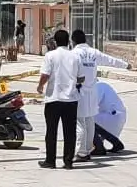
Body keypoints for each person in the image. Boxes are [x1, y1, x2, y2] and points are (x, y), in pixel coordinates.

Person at [71, 29, 130, 162]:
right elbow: (110, 60)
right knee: (89, 123)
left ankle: (82, 153)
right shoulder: (94, 53)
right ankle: (86, 151)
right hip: (92, 93)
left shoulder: (74, 54)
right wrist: (126, 65)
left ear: (73, 41)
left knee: (80, 124)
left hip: (80, 93)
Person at [36, 29, 81, 169]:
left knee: (51, 131)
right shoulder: (75, 57)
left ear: (55, 41)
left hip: (53, 98)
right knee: (70, 132)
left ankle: (50, 160)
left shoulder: (50, 55)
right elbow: (81, 77)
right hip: (71, 99)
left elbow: (45, 75)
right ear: (68, 41)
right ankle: (68, 161)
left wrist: (40, 86)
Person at [91, 80, 126, 156]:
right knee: (89, 121)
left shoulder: (97, 86)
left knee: (85, 120)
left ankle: (99, 146)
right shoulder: (101, 84)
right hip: (114, 115)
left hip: (112, 116)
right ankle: (116, 142)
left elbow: (91, 106)